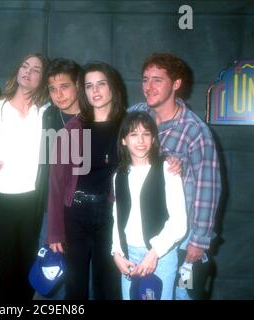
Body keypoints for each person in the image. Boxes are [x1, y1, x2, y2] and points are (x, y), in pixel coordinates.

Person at [129, 52, 222, 300]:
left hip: (182, 237)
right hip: (142, 232)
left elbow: (207, 188)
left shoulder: (195, 131)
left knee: (182, 295)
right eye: (145, 79)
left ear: (176, 84)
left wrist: (199, 240)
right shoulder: (136, 115)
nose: (149, 87)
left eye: (158, 80)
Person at [47, 61, 124, 299]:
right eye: (89, 86)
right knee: (75, 286)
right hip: (76, 214)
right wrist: (54, 232)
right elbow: (57, 185)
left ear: (113, 88)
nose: (95, 91)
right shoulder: (72, 129)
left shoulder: (128, 125)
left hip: (111, 215)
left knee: (108, 285)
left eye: (101, 84)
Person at [111, 111, 187, 300]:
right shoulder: (118, 176)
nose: (141, 140)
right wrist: (116, 253)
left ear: (153, 138)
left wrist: (154, 254)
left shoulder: (167, 170)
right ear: (124, 140)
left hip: (160, 257)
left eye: (146, 134)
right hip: (129, 256)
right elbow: (117, 219)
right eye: (134, 134)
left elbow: (179, 223)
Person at [0, 53, 49, 300]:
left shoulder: (45, 112)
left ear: (43, 78)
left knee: (28, 261)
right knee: (6, 263)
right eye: (25, 65)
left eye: (36, 69)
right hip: (1, 195)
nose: (28, 71)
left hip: (33, 197)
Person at [35, 58, 82, 299]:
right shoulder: (48, 116)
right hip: (51, 208)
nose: (58, 94)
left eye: (64, 86)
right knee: (50, 276)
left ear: (78, 85)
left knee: (81, 278)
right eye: (52, 89)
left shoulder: (94, 116)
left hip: (83, 210)